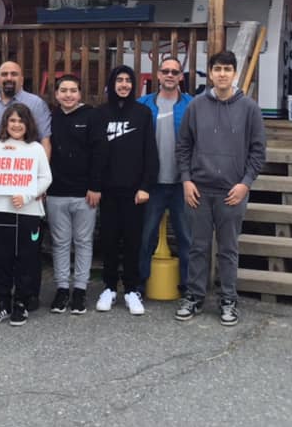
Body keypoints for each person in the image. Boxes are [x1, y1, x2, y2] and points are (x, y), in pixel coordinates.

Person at [175, 49, 266, 327]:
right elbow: (184, 146)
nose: (222, 74)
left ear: (235, 73)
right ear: (211, 73)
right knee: (198, 247)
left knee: (228, 248)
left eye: (228, 69)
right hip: (199, 191)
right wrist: (187, 179)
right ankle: (194, 296)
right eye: (217, 69)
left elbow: (258, 151)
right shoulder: (196, 106)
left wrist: (245, 184)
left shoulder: (249, 108)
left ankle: (228, 299)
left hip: (232, 192)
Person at [0, 60, 51, 310]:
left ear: (21, 78)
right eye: (4, 73)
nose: (9, 77)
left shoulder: (36, 104)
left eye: (14, 73)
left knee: (28, 248)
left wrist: (34, 188)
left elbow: (45, 143)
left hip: (26, 195)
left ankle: (28, 295)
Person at [0, 103, 52, 326]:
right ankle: (2, 303)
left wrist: (27, 196)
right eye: (12, 120)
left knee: (26, 259)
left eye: (21, 121)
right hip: (1, 211)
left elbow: (45, 178)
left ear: (28, 123)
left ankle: (21, 303)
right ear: (5, 123)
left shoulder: (35, 148)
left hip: (28, 212)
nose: (16, 125)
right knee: (1, 258)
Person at [95, 65, 158, 316]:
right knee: (108, 240)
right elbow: (96, 154)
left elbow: (150, 154)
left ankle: (132, 289)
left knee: (134, 241)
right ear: (111, 84)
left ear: (133, 85)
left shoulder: (143, 113)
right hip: (108, 192)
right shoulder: (100, 114)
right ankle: (109, 287)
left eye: (127, 81)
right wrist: (95, 185)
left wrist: (145, 186)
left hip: (135, 192)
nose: (123, 85)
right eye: (119, 80)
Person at [46, 74, 107, 315]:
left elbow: (100, 153)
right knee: (60, 243)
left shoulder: (92, 116)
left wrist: (95, 186)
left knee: (83, 242)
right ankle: (62, 289)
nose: (68, 95)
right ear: (56, 94)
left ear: (80, 94)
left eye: (73, 90)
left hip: (85, 193)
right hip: (56, 192)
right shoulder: (52, 118)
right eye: (63, 90)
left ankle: (80, 290)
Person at [138, 55, 193, 296]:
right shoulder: (142, 105)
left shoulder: (193, 105)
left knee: (187, 239)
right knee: (146, 237)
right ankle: (138, 285)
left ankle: (189, 288)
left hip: (183, 184)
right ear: (158, 75)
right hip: (152, 184)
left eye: (175, 72)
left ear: (181, 77)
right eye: (165, 71)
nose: (170, 75)